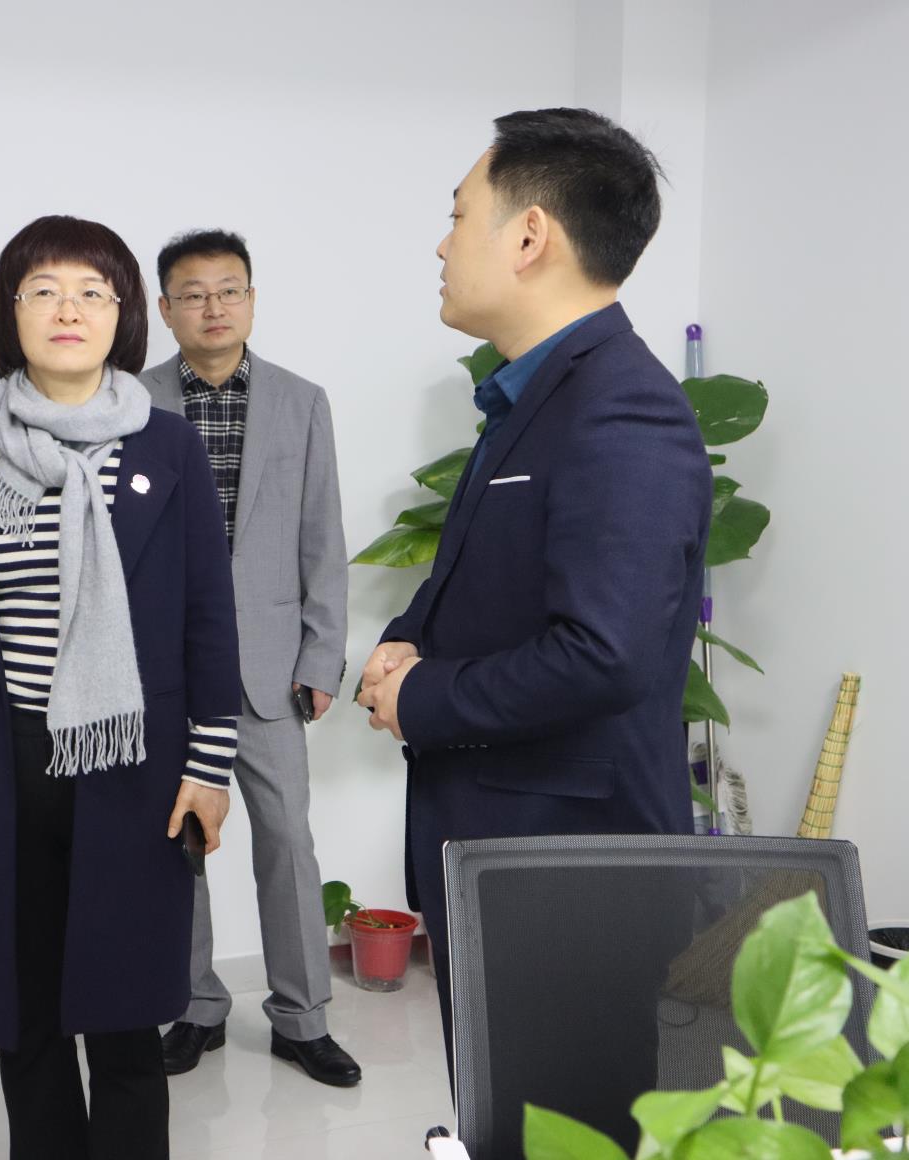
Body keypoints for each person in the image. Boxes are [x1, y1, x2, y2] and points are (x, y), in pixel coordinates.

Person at [356, 108, 712, 1102]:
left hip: (571, 878)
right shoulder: (540, 395)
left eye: (457, 216)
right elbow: (489, 576)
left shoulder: (623, 407)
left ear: (528, 235)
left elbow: (604, 653)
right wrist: (405, 642)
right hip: (509, 859)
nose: (442, 244)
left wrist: (423, 697)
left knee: (563, 1125)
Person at [0, 215, 241, 1159]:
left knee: (126, 1013)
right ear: (9, 313)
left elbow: (209, 620)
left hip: (134, 764)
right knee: (25, 1010)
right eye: (44, 290)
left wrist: (209, 767)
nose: (69, 310)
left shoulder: (169, 451)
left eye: (93, 292)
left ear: (123, 315)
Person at [142, 230, 358, 1087]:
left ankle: (302, 1020)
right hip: (164, 667)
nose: (214, 307)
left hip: (269, 667)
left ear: (253, 300)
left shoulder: (302, 402)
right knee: (177, 844)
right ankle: (194, 1007)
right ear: (166, 309)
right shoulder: (131, 400)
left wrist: (322, 657)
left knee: (287, 843)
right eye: (194, 294)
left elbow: (323, 536)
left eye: (229, 290)